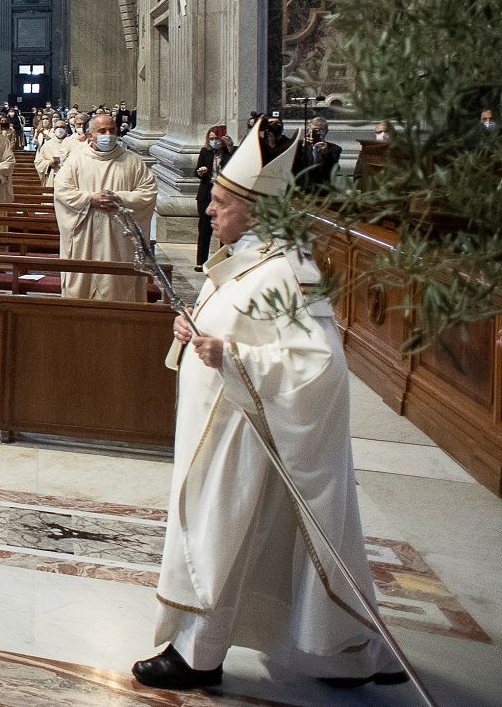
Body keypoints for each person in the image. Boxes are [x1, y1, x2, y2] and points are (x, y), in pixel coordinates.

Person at [135, 124, 405, 692]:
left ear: (254, 212)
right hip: (227, 423)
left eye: (220, 202)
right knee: (234, 536)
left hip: (252, 430)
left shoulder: (290, 270)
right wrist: (193, 332)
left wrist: (231, 355)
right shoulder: (243, 260)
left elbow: (321, 364)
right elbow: (225, 322)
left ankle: (199, 654)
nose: (209, 209)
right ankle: (334, 653)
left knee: (224, 533)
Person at [53, 112, 157, 299]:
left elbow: (147, 193)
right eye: (102, 131)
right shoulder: (76, 160)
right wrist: (90, 199)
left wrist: (118, 198)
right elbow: (61, 191)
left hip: (119, 242)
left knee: (118, 292)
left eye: (111, 130)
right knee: (82, 292)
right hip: (85, 239)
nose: (107, 135)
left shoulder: (132, 162)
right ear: (90, 134)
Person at [193, 126, 234, 270]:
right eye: (211, 139)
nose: (213, 141)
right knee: (204, 228)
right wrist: (201, 172)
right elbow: (197, 171)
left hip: (223, 193)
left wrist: (230, 149)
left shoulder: (230, 152)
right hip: (207, 192)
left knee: (224, 227)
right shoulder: (205, 152)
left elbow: (233, 168)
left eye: (216, 138)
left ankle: (223, 260)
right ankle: (201, 261)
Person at [292, 116, 342, 192]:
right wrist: (302, 146)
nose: (318, 133)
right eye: (314, 131)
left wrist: (325, 153)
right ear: (309, 130)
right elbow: (292, 164)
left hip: (321, 190)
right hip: (300, 188)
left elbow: (333, 169)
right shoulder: (298, 145)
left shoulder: (334, 149)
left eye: (321, 131)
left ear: (326, 131)